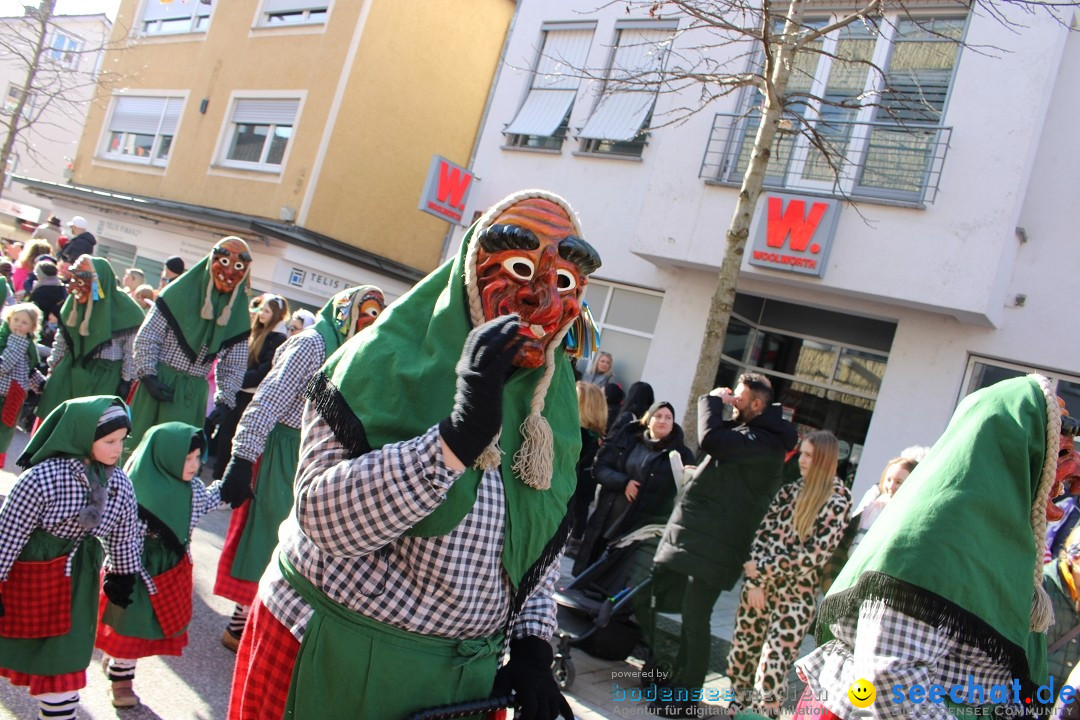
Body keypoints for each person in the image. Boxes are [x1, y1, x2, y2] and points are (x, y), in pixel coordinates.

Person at [227, 189, 600, 720]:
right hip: (337, 657)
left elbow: (531, 556)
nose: (542, 300)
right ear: (470, 274)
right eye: (519, 268)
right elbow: (323, 522)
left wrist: (534, 648)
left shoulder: (551, 410)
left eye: (563, 281)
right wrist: (452, 442)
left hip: (461, 687)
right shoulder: (372, 364)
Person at [795, 375, 1080, 720]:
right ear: (1015, 453)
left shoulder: (1001, 541)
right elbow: (887, 679)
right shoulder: (936, 537)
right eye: (1059, 452)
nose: (1071, 476)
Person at [214, 285, 386, 652]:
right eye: (366, 312)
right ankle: (241, 623)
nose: (371, 321)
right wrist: (243, 456)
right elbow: (270, 397)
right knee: (265, 534)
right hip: (284, 446)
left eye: (376, 315)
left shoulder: (354, 350)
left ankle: (266, 620)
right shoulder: (312, 343)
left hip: (317, 453)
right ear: (346, 311)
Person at [649, 373, 797, 718]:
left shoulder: (766, 442)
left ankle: (686, 699)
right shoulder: (754, 433)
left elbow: (711, 440)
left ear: (757, 405)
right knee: (690, 614)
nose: (734, 403)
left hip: (721, 543)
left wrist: (712, 400)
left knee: (697, 618)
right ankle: (678, 688)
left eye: (740, 399)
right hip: (709, 538)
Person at [0, 396, 141, 720]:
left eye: (122, 440)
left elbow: (125, 530)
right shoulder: (42, 478)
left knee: (64, 656)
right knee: (12, 637)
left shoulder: (119, 482)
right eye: (109, 440)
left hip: (79, 576)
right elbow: (8, 533)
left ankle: (59, 712)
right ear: (81, 435)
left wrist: (123, 573)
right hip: (28, 569)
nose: (118, 449)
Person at [95, 422, 224, 708]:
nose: (193, 465)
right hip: (135, 568)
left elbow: (205, 502)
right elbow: (117, 532)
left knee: (147, 625)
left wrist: (228, 491)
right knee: (131, 621)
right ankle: (121, 680)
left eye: (197, 458)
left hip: (170, 569)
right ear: (163, 457)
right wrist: (120, 568)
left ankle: (119, 664)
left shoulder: (191, 488)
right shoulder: (136, 491)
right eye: (186, 458)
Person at [726, 430, 851, 717]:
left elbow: (813, 555)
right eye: (802, 453)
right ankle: (736, 712)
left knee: (771, 669)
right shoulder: (789, 490)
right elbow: (763, 534)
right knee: (741, 658)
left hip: (795, 598)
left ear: (824, 459)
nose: (802, 460)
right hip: (757, 590)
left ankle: (761, 717)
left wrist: (763, 570)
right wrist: (755, 580)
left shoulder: (839, 499)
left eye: (809, 455)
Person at [127, 236, 251, 452]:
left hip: (192, 394)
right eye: (224, 262)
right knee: (138, 447)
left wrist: (225, 400)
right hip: (159, 381)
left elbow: (235, 361)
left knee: (176, 456)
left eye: (238, 266)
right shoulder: (177, 294)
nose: (230, 271)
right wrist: (148, 375)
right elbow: (149, 336)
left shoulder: (236, 312)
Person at [574, 400, 694, 575]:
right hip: (609, 515)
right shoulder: (628, 440)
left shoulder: (682, 454)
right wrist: (624, 483)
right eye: (658, 416)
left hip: (641, 525)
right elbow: (600, 468)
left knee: (616, 574)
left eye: (668, 417)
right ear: (648, 419)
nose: (663, 421)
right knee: (591, 566)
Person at [36, 256, 145, 423]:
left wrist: (125, 382)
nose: (76, 286)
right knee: (54, 427)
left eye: (82, 279)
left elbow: (130, 353)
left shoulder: (127, 312)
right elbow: (61, 342)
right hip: (68, 372)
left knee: (87, 429)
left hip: (103, 378)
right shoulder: (74, 303)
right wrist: (52, 371)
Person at [211, 293, 290, 480]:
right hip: (239, 391)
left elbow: (265, 369)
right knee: (225, 436)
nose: (261, 313)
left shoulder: (278, 338)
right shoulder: (255, 332)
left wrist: (239, 379)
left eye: (267, 311)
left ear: (277, 314)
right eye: (261, 309)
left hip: (252, 396)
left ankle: (227, 481)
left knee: (238, 439)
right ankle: (218, 478)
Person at [0, 303, 46, 467]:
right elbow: (4, 366)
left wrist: (42, 386)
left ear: (32, 327)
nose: (19, 325)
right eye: (16, 320)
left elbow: (29, 371)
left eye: (24, 322)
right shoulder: (4, 340)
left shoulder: (29, 346)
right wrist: (17, 342)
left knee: (3, 436)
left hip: (13, 397)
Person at [567, 380, 608, 557]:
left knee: (578, 509)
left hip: (579, 478)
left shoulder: (579, 432)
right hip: (585, 478)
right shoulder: (596, 433)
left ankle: (574, 540)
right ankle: (574, 539)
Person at [28, 259, 66, 329]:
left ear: (39, 275)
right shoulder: (62, 287)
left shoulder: (39, 292)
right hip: (61, 325)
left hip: (43, 327)